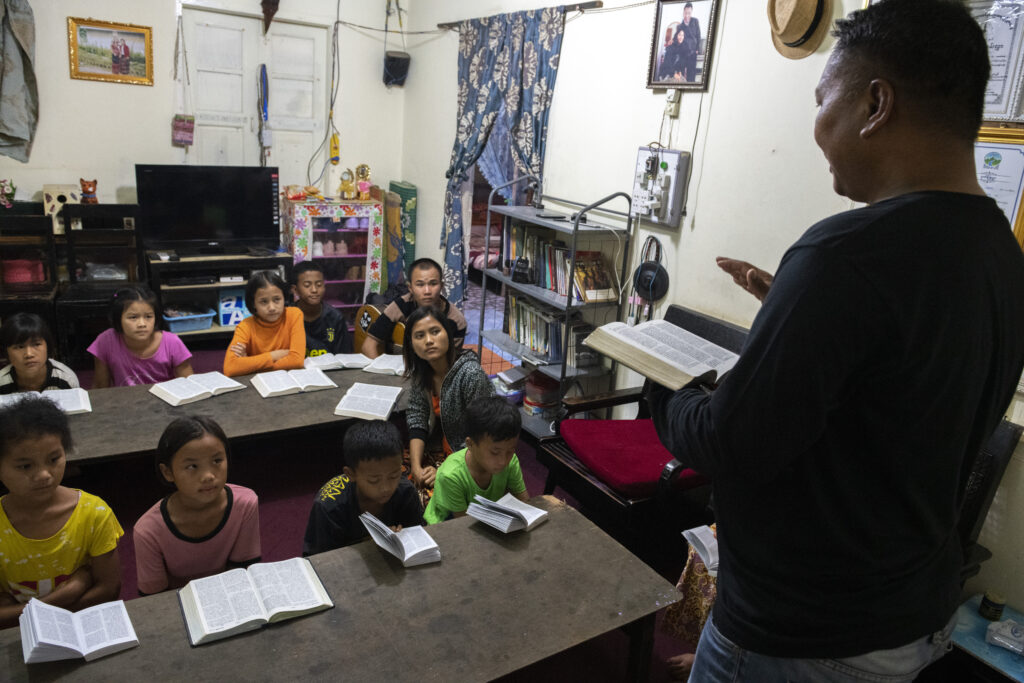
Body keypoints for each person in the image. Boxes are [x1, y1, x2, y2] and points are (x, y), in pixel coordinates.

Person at [646, 2, 1024, 680]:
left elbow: (736, 440)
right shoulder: (998, 251)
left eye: (824, 101)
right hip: (904, 612)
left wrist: (666, 393)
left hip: (800, 633)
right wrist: (789, 312)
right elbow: (896, 386)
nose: (817, 127)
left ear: (876, 104)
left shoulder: (846, 255)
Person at [0, 396, 123, 629]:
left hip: (84, 628)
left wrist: (20, 612)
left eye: (54, 459)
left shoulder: (94, 513)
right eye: (26, 466)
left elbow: (108, 589)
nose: (44, 474)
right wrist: (68, 595)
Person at [133, 416, 260, 595]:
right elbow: (154, 599)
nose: (208, 476)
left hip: (231, 597)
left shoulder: (245, 503)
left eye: (217, 461)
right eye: (192, 466)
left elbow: (243, 571)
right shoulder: (148, 530)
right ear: (168, 472)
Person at [402, 306, 494, 491]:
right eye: (419, 336)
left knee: (430, 501)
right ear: (411, 344)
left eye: (435, 332)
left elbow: (481, 433)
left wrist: (445, 471)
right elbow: (417, 417)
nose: (429, 341)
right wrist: (417, 467)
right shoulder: (421, 373)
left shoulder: (470, 374)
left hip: (471, 455)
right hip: (437, 446)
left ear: (449, 335)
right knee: (388, 479)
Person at [303, 420, 424, 555]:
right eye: (374, 480)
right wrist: (368, 548)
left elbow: (419, 539)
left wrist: (403, 537)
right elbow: (321, 560)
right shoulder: (329, 506)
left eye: (394, 475)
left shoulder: (406, 492)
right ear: (351, 474)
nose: (385, 488)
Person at [423, 396, 528, 524]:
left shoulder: (511, 461)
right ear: (470, 444)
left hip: (487, 516)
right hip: (448, 524)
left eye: (510, 451)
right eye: (495, 452)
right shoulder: (451, 475)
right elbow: (464, 525)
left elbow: (524, 501)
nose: (503, 461)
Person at [88, 284, 194, 388]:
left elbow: (189, 385)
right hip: (124, 401)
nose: (142, 324)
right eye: (133, 317)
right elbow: (100, 386)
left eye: (148, 316)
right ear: (117, 319)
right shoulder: (106, 341)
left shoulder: (171, 342)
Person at [361, 258, 467, 359]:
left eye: (433, 284)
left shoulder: (456, 321)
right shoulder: (401, 305)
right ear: (410, 288)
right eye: (420, 285)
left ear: (442, 286)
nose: (427, 291)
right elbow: (369, 345)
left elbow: (447, 364)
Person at [223, 270, 305, 377]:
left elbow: (297, 361)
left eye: (277, 299)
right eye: (264, 302)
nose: (271, 308)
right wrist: (274, 355)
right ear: (253, 304)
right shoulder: (245, 326)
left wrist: (250, 364)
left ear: (284, 298)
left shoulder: (294, 315)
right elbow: (230, 368)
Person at [0, 313, 79, 394]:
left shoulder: (65, 379)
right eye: (20, 347)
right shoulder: (1, 383)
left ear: (48, 346)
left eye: (36, 344)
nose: (29, 354)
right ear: (6, 352)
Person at [291, 260, 353, 357]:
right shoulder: (287, 316)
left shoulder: (335, 318)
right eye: (307, 285)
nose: (314, 290)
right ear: (295, 289)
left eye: (319, 285)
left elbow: (344, 357)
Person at [679, 2, 701, 82]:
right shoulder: (680, 26)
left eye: (689, 13)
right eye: (685, 13)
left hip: (693, 52)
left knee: (691, 74)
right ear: (683, 12)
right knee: (681, 74)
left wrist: (697, 49)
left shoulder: (695, 21)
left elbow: (698, 36)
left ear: (691, 12)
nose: (687, 15)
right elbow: (678, 40)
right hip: (683, 53)